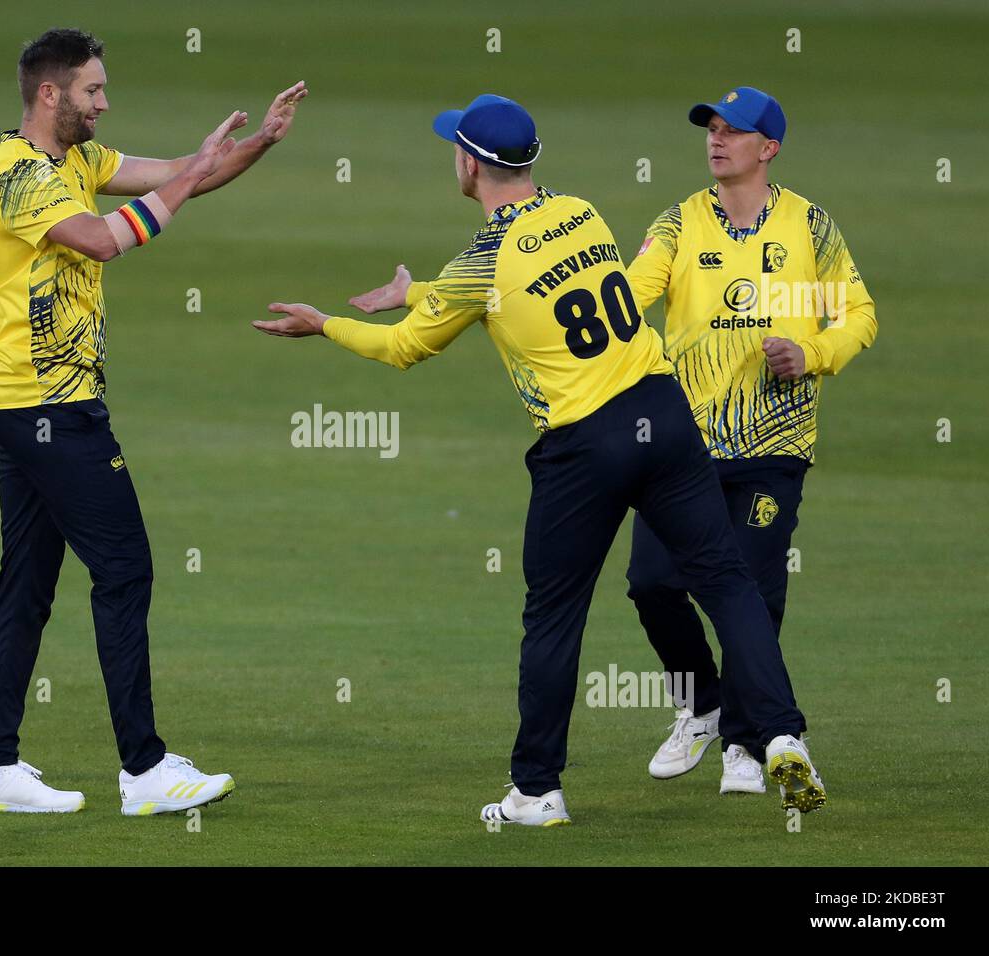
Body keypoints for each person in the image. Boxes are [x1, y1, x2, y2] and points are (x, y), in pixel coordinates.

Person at [252, 94, 824, 824]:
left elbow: (407, 347)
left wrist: (323, 324)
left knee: (553, 616)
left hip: (586, 447)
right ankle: (780, 733)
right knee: (727, 581)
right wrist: (420, 292)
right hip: (665, 413)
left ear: (471, 164)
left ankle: (536, 790)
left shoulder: (482, 259)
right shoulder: (579, 212)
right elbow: (530, 293)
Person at [0, 27, 306, 815]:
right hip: (48, 407)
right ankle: (144, 770)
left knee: (26, 585)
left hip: (33, 399)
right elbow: (104, 239)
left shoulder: (78, 159)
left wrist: (256, 144)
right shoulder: (14, 176)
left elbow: (184, 175)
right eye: (93, 90)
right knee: (125, 570)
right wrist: (190, 178)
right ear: (50, 94)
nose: (105, 102)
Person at [626, 86, 876, 798]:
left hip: (775, 440)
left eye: (734, 132)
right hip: (681, 444)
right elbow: (625, 293)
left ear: (768, 148)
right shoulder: (677, 225)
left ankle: (745, 742)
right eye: (711, 127)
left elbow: (857, 314)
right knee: (651, 584)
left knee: (752, 593)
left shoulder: (809, 228)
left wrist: (811, 354)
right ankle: (701, 704)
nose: (715, 139)